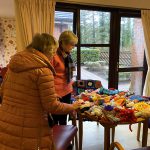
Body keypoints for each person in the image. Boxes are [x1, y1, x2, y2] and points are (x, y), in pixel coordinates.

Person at [0, 33, 80, 150]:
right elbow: (51, 106)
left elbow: (3, 92)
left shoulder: (13, 65)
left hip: (7, 121)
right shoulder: (43, 70)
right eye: (53, 52)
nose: (53, 55)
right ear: (46, 50)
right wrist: (73, 107)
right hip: (30, 125)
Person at [51, 31, 78, 125]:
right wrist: (52, 92)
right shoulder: (53, 56)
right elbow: (48, 76)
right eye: (72, 44)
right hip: (56, 93)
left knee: (63, 119)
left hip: (66, 90)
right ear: (62, 43)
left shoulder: (66, 54)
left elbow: (65, 72)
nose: (73, 47)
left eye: (74, 44)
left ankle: (64, 139)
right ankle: (56, 139)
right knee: (55, 120)